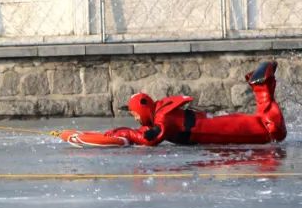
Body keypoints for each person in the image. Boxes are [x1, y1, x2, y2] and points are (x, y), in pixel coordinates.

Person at [81, 62, 285, 147]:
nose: (134, 117)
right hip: (217, 125)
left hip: (217, 128)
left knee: (270, 130)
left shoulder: (164, 117)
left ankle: (262, 86)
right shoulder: (161, 110)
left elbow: (151, 137)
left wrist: (125, 133)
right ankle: (262, 88)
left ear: (143, 108)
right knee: (263, 125)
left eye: (134, 113)